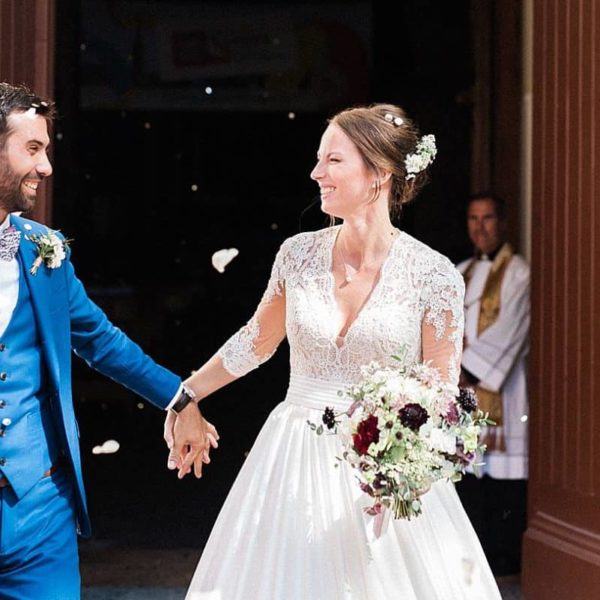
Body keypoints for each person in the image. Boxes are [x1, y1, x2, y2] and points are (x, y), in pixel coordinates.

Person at [173, 103, 501, 599]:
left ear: (380, 172)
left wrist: (408, 471)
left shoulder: (434, 276)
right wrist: (186, 394)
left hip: (385, 472)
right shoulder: (297, 254)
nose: (316, 172)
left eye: (333, 160)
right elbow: (256, 342)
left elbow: (440, 395)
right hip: (293, 460)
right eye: (318, 159)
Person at [0, 82, 217, 600]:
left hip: (38, 513)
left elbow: (102, 342)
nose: (46, 166)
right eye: (33, 148)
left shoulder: (45, 253)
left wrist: (181, 398)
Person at [455, 193, 530, 576]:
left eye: (487, 218)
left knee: (501, 473)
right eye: (473, 218)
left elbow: (511, 330)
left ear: (502, 223)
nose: (480, 227)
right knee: (468, 473)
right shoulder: (460, 270)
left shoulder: (519, 273)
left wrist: (465, 367)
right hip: (462, 390)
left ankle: (504, 557)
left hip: (500, 388)